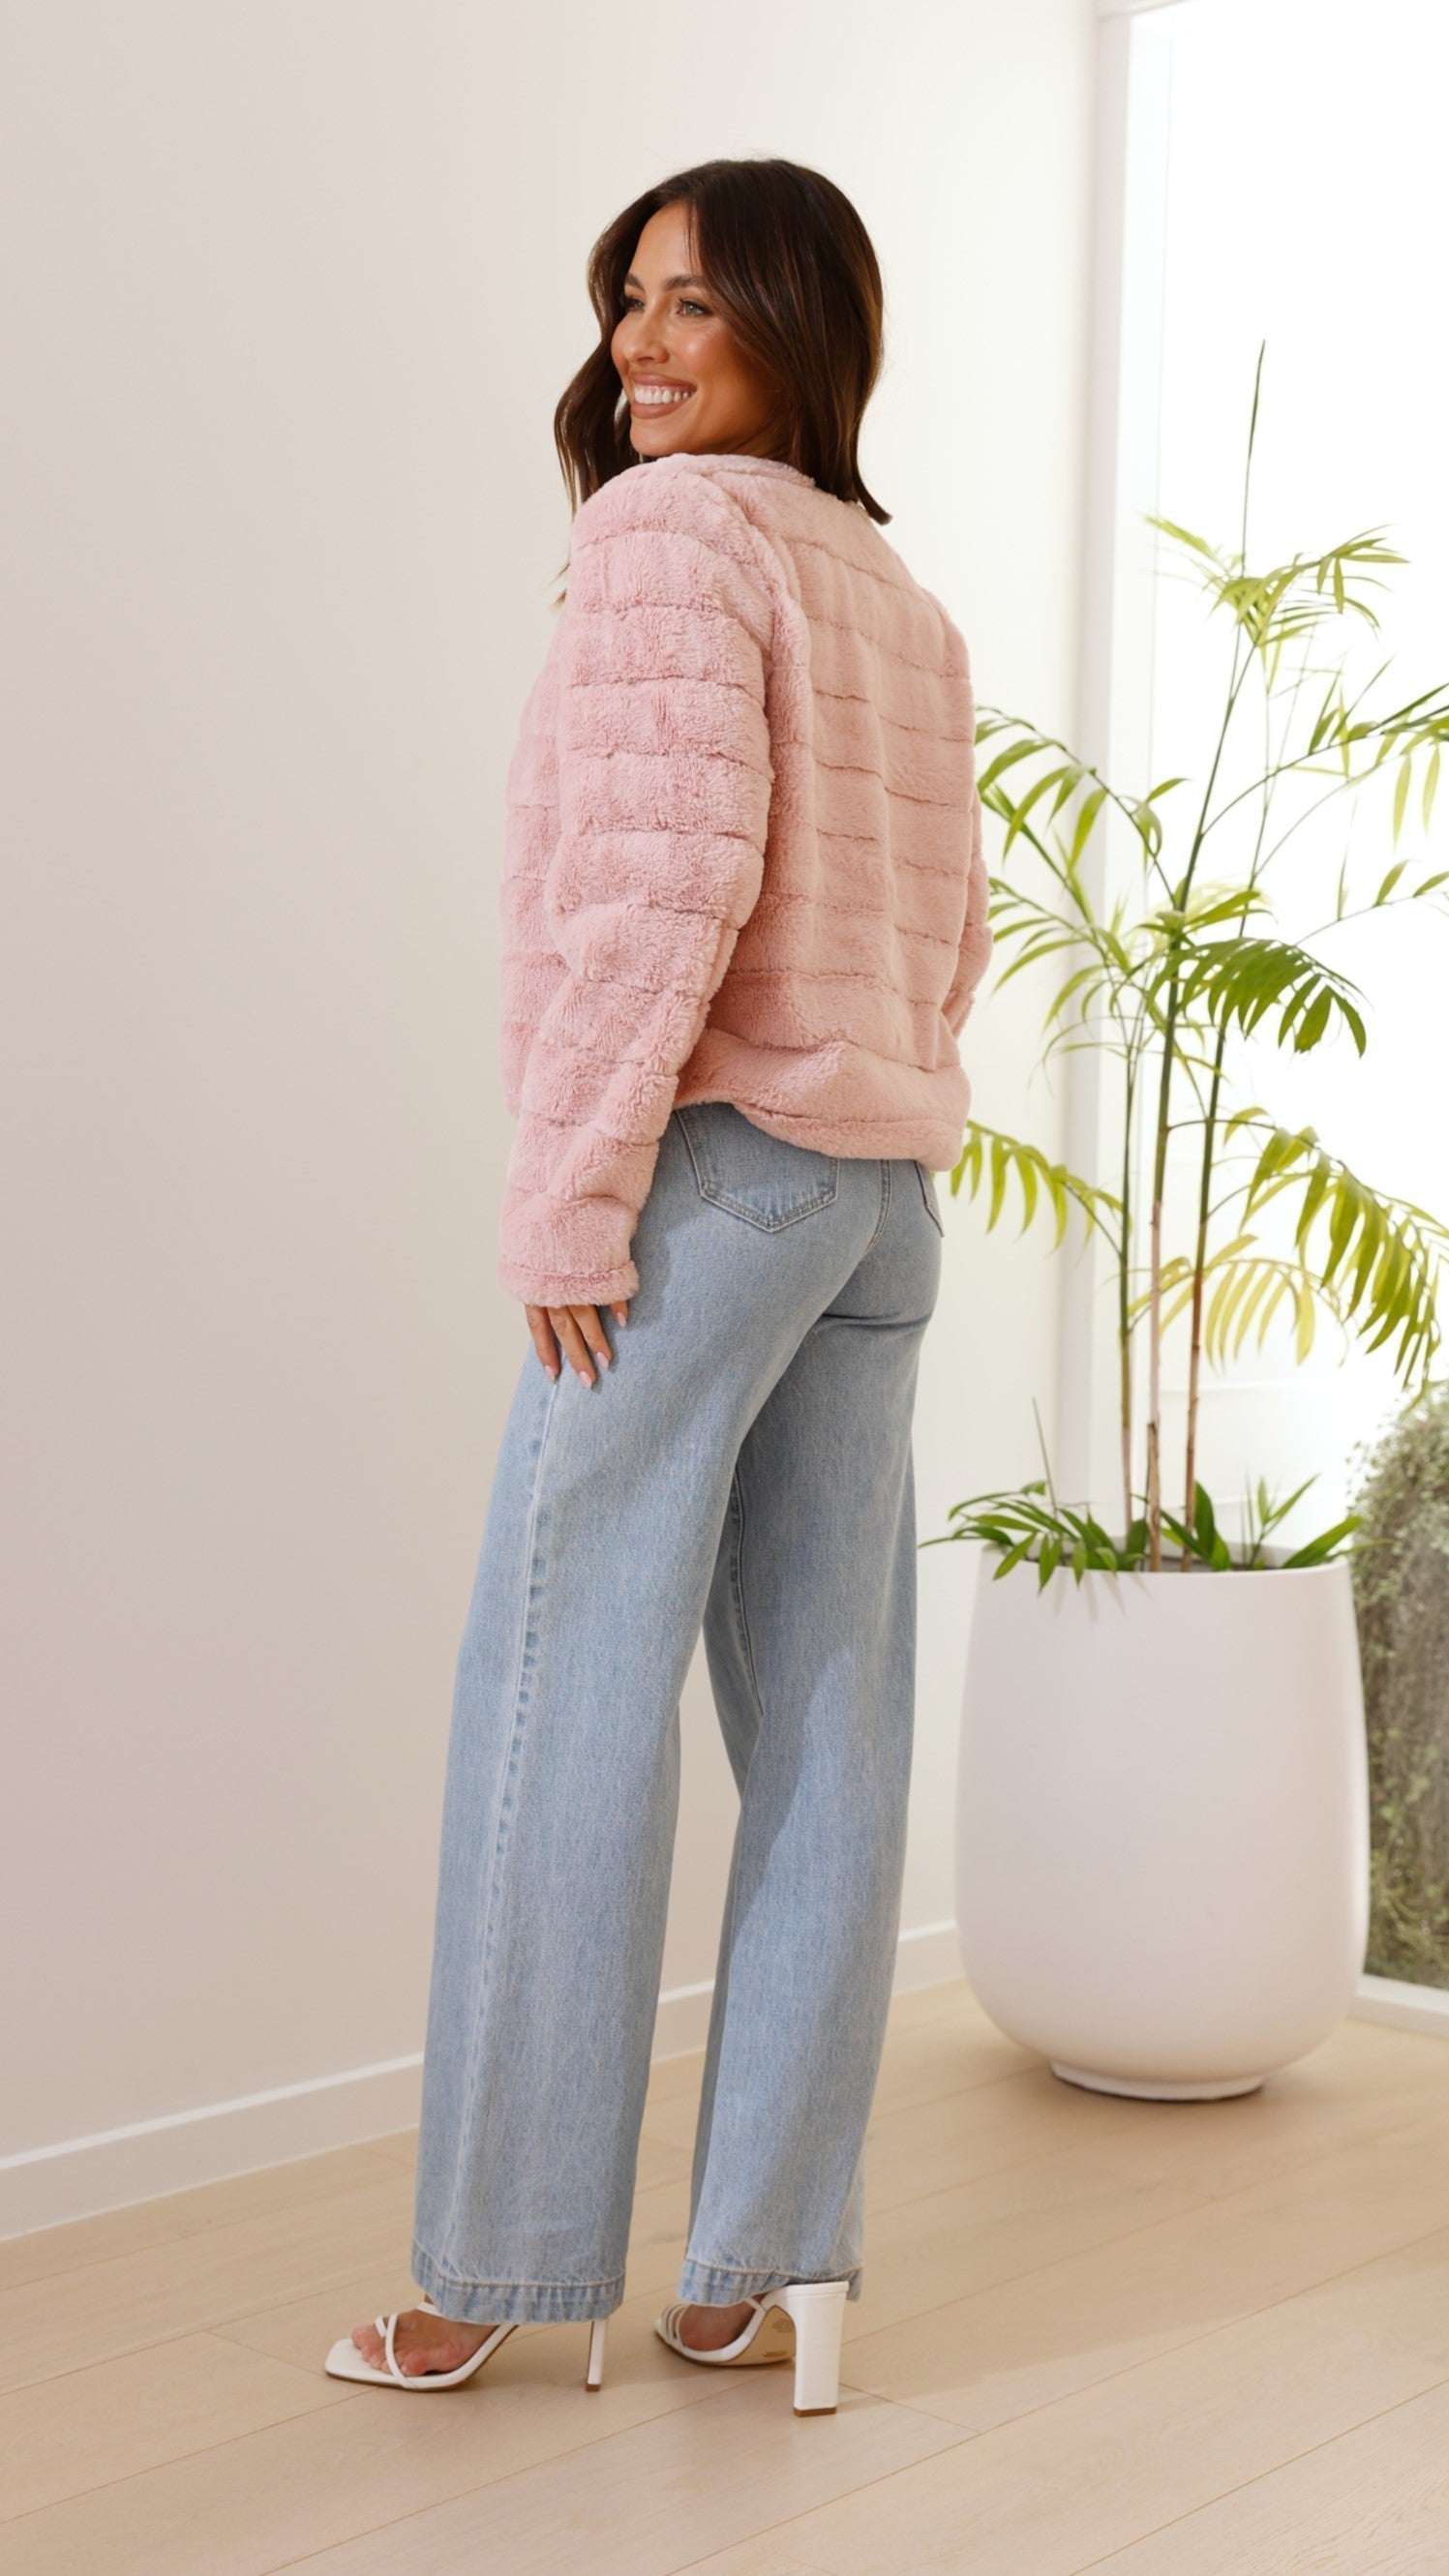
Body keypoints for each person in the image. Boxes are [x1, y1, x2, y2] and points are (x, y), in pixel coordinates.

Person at [324, 154, 990, 2416]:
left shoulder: (666, 535)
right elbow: (943, 936)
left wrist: (568, 1192)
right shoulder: (891, 592)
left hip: (703, 1191)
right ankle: (764, 2265)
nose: (637, 342)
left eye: (692, 301)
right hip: (875, 1199)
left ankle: (497, 2268)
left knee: (555, 1690)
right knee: (828, 1719)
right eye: (627, 299)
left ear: (801, 323)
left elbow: (659, 887)